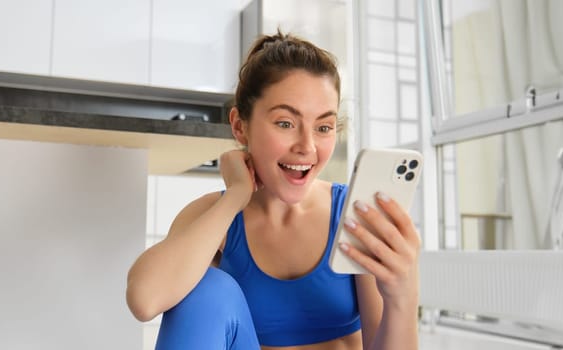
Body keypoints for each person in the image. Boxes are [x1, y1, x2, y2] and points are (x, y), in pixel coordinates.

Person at [126, 32, 420, 350]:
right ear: (240, 126)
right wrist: (236, 197)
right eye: (285, 123)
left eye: (323, 127)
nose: (306, 147)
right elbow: (145, 299)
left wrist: (402, 295)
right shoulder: (213, 218)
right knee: (207, 289)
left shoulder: (354, 217)